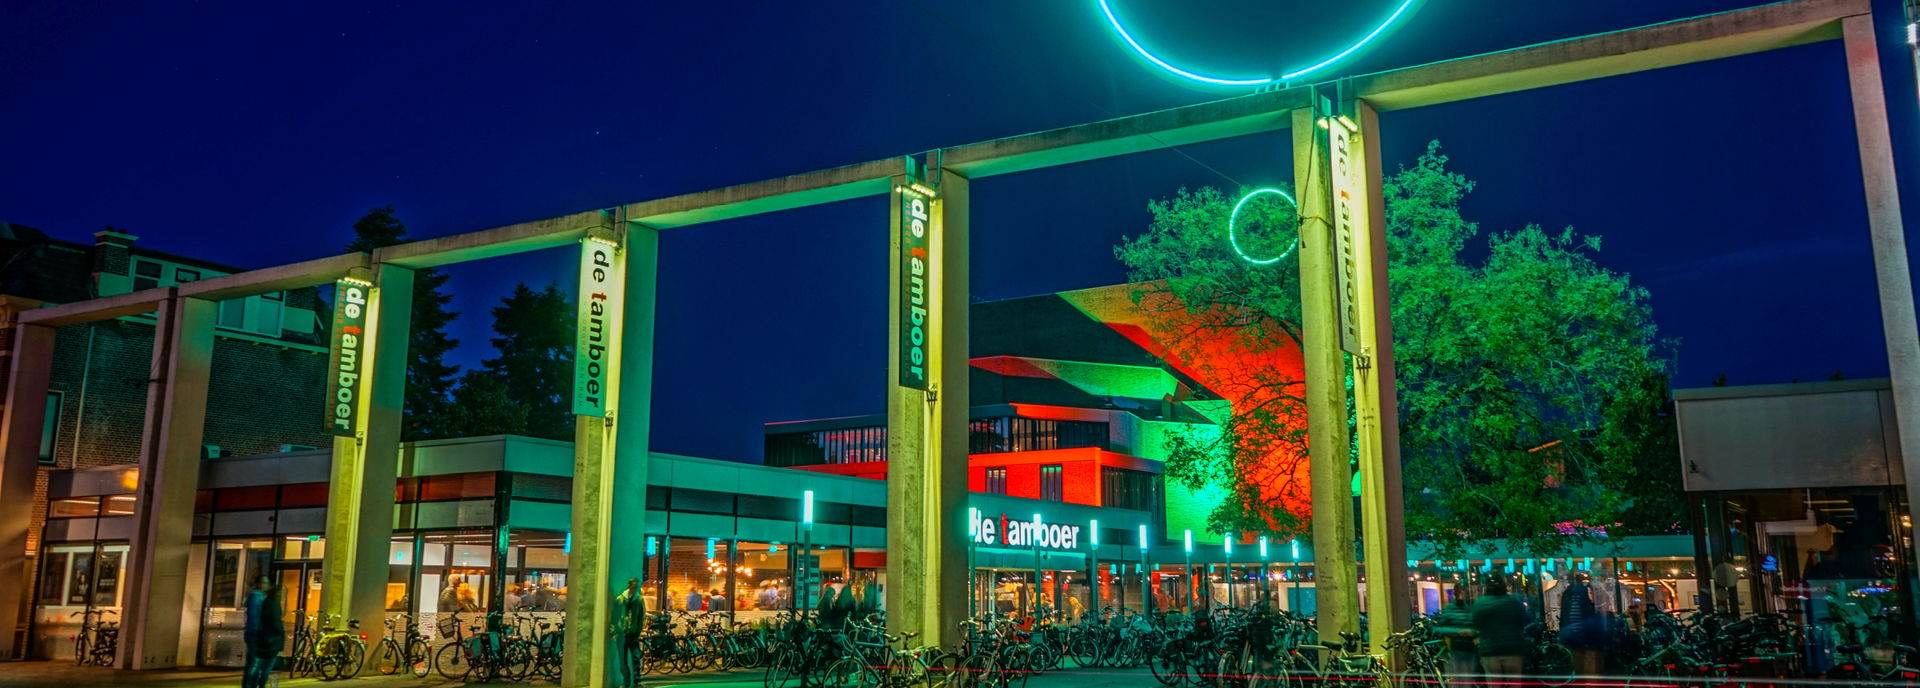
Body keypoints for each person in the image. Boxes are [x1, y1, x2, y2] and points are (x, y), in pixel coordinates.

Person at [1471, 576, 1530, 679]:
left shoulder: (1480, 603)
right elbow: (1524, 620)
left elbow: (1475, 624)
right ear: (1504, 586)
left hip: (1490, 650)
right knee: (1514, 683)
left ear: (1487, 587)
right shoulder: (1514, 601)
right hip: (1513, 649)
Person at [1558, 572, 1608, 676]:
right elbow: (1589, 611)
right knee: (1591, 661)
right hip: (1583, 632)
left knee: (1578, 663)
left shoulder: (1567, 594)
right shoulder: (1584, 591)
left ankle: (1581, 679)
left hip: (1572, 632)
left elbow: (1564, 615)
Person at [242, 575, 285, 688]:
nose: (265, 585)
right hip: (256, 634)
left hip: (258, 634)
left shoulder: (262, 598)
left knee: (257, 665)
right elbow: (255, 617)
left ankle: (252, 684)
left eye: (266, 583)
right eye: (263, 583)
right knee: (255, 665)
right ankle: (251, 685)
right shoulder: (257, 598)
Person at [1434, 587, 1479, 687]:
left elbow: (1477, 627)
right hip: (1455, 649)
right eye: (1460, 592)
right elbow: (1439, 628)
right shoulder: (1450, 609)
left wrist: (1472, 632)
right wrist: (1458, 632)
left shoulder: (1469, 609)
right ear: (1455, 593)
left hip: (1469, 649)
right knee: (1459, 680)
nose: (1461, 595)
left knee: (1466, 680)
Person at [614, 578, 646, 688]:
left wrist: (638, 629)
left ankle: (636, 681)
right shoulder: (620, 599)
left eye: (636, 586)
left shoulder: (639, 599)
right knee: (623, 660)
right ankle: (626, 681)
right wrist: (614, 631)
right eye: (634, 585)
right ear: (629, 585)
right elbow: (615, 616)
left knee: (635, 658)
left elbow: (641, 616)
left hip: (633, 633)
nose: (635, 588)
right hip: (622, 633)